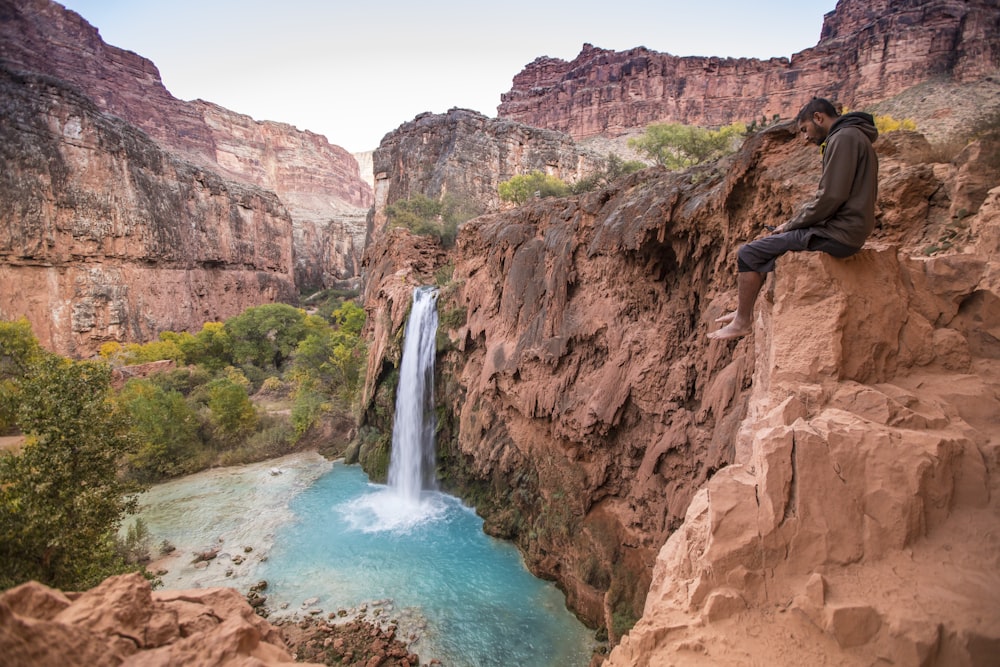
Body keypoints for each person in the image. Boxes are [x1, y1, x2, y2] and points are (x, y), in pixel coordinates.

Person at [708, 98, 879, 340]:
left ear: (818, 118)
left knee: (749, 254)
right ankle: (741, 312)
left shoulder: (843, 138)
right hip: (850, 229)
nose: (806, 137)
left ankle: (742, 322)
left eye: (804, 129)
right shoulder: (855, 136)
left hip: (839, 234)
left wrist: (791, 224)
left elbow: (831, 196)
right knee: (773, 245)